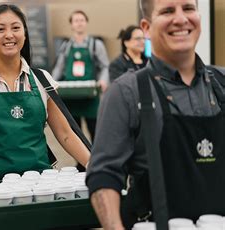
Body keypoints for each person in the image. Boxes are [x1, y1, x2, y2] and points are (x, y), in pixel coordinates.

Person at [86, 0, 225, 229]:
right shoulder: (126, 92)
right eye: (168, 11)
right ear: (147, 27)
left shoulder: (221, 83)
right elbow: (104, 176)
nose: (180, 19)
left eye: (188, 8)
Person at [0, 4, 91, 206]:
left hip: (41, 184)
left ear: (25, 33)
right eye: (0, 29)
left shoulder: (42, 81)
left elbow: (65, 134)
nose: (9, 35)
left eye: (15, 28)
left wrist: (94, 166)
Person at [51, 10, 110, 147]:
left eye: (82, 20)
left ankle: (96, 160)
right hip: (71, 95)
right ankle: (80, 163)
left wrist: (103, 81)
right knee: (74, 132)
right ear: (71, 24)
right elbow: (59, 68)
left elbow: (105, 66)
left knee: (95, 130)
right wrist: (51, 84)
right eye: (76, 20)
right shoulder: (66, 46)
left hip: (90, 94)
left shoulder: (96, 45)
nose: (79, 23)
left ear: (86, 23)